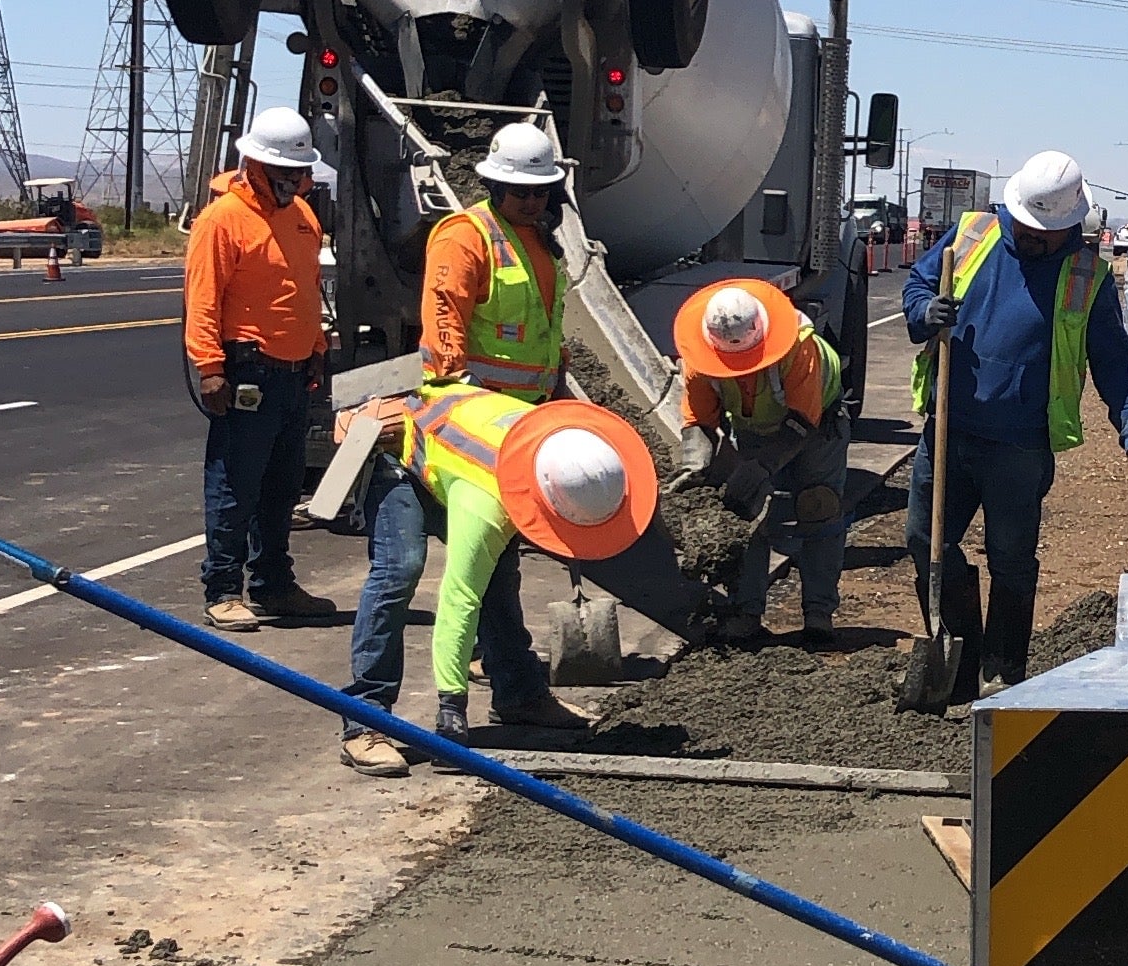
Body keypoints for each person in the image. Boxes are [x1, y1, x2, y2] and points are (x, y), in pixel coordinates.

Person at [901, 150, 1128, 699]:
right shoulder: (971, 235)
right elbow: (918, 286)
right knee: (924, 537)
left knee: (1012, 558)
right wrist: (926, 313)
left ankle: (1002, 665)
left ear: (1069, 224)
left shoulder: (1087, 276)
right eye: (1026, 226)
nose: (1032, 238)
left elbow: (1117, 362)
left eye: (1045, 232)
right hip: (950, 428)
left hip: (1020, 446)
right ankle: (960, 648)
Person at [341, 386, 651, 768]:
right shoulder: (486, 504)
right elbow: (459, 598)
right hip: (394, 449)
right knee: (400, 568)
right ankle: (364, 721)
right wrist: (451, 706)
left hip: (456, 445)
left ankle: (520, 696)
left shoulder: (574, 442)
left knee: (500, 574)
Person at [407, 119, 573, 712]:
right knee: (486, 563)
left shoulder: (535, 240)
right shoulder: (466, 235)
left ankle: (511, 678)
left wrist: (557, 383)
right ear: (492, 185)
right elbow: (445, 309)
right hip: (480, 422)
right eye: (520, 192)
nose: (531, 201)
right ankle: (512, 685)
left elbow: (542, 324)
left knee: (502, 561)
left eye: (540, 192)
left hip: (526, 417)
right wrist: (455, 383)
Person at [184, 107, 334, 632]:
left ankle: (274, 583)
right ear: (252, 164)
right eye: (282, 176)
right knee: (235, 484)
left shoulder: (302, 217)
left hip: (292, 374)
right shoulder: (222, 220)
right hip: (247, 372)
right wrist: (209, 368)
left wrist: (316, 345)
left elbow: (307, 287)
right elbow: (203, 300)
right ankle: (223, 588)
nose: (292, 185)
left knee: (282, 486)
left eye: (298, 176)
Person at [672, 279, 850, 648]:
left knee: (818, 506)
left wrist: (762, 467)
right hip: (754, 426)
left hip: (818, 423)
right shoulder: (700, 360)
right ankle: (746, 612)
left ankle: (819, 613)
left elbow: (801, 422)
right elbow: (700, 422)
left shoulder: (798, 350)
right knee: (748, 514)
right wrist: (694, 464)